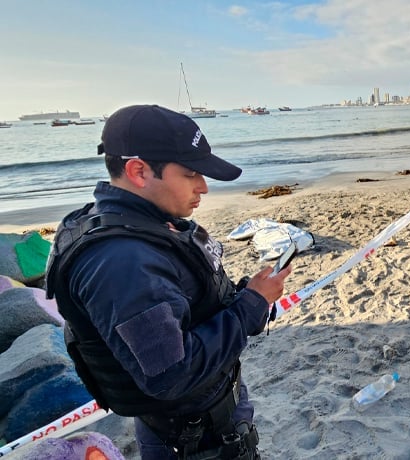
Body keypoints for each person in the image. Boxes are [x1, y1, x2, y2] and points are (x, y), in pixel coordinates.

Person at [45, 104, 292, 459]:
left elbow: (186, 306)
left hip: (210, 417)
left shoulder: (148, 224)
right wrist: (250, 306)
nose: (203, 187)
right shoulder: (123, 263)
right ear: (139, 171)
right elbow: (171, 374)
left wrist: (247, 297)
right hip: (193, 440)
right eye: (191, 173)